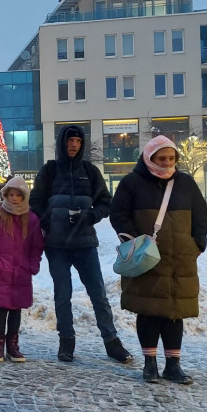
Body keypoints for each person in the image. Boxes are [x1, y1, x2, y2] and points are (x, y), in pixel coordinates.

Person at [110, 136, 207, 385]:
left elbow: (200, 216)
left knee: (175, 313)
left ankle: (173, 365)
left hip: (180, 260)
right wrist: (133, 242)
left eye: (171, 158)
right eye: (161, 158)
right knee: (150, 311)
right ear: (149, 157)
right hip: (147, 260)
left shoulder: (185, 183)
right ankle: (150, 364)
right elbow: (118, 214)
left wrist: (197, 243)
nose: (167, 162)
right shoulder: (132, 182)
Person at [30, 125, 132, 365]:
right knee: (62, 295)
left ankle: (112, 341)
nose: (73, 145)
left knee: (98, 293)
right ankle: (66, 340)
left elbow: (106, 203)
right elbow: (35, 203)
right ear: (61, 144)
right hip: (57, 245)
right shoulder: (49, 171)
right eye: (69, 140)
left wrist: (90, 216)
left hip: (85, 243)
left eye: (77, 140)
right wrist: (50, 220)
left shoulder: (90, 171)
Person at [0, 176, 44, 363]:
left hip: (22, 273)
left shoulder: (31, 219)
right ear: (5, 195)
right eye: (11, 194)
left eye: (18, 195)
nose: (14, 198)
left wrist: (32, 265)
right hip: (1, 272)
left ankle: (13, 344)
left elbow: (37, 245)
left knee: (16, 309)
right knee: (1, 309)